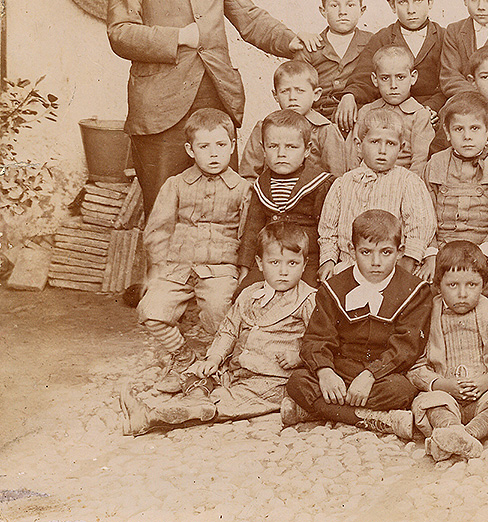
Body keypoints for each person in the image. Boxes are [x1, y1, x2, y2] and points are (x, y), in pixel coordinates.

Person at [108, 0, 312, 213]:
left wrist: (289, 39)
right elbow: (120, 32)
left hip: (215, 95)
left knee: (222, 207)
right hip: (160, 108)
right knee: (163, 210)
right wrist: (178, 37)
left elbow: (248, 16)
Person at [118, 221, 317, 435]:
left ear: (304, 264)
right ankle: (198, 397)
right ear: (260, 263)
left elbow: (320, 339)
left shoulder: (308, 300)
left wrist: (298, 355)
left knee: (231, 401)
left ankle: (151, 416)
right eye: (275, 262)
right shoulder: (250, 294)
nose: (283, 271)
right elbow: (229, 330)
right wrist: (214, 358)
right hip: (237, 370)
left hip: (272, 378)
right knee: (196, 373)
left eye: (292, 263)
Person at [282, 210, 434, 437]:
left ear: (400, 252)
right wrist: (325, 372)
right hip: (340, 369)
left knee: (402, 390)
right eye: (366, 252)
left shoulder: (415, 291)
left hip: (381, 375)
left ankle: (317, 411)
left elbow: (406, 346)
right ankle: (374, 419)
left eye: (386, 252)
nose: (376, 262)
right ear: (352, 251)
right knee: (297, 382)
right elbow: (317, 337)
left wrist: (370, 375)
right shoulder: (334, 288)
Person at [136, 108, 249, 393]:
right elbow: (158, 230)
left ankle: (216, 365)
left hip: (220, 267)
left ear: (233, 146)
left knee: (219, 312)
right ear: (190, 150)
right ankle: (182, 356)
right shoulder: (175, 185)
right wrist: (160, 269)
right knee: (151, 310)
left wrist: (241, 270)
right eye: (204, 147)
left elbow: (247, 234)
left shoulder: (243, 189)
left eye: (221, 145)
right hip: (178, 266)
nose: (213, 154)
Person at [407, 241, 488, 461]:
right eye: (452, 285)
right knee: (431, 404)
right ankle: (451, 428)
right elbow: (415, 365)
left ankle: (468, 435)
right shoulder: (427, 315)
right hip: (445, 392)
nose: (462, 294)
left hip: (484, 393)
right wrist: (443, 384)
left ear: (483, 284)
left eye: (472, 285)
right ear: (438, 284)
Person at [317, 107, 436, 280]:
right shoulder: (343, 184)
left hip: (394, 268)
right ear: (359, 145)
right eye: (374, 142)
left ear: (401, 147)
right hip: (348, 267)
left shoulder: (408, 182)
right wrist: (328, 260)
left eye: (391, 144)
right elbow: (328, 229)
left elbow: (420, 227)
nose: (382, 150)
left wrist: (407, 264)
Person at [418, 93, 488, 288]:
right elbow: (424, 217)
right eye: (459, 129)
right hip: (441, 256)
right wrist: (432, 255)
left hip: (483, 257)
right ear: (448, 132)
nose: (467, 137)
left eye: (475, 128)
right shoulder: (435, 164)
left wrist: (484, 255)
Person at [236, 110, 334, 289]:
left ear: (307, 150)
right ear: (263, 149)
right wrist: (245, 268)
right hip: (271, 257)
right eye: (273, 146)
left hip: (306, 259)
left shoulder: (319, 183)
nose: (281, 153)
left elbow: (327, 227)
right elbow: (252, 229)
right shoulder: (261, 186)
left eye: (291, 147)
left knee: (311, 296)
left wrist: (326, 261)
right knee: (247, 292)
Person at [345, 0, 447, 133]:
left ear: (430, 1)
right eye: (402, 2)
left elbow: (448, 83)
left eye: (418, 1)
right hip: (390, 113)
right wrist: (349, 95)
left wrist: (432, 107)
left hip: (431, 112)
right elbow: (362, 77)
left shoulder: (444, 37)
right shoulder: (383, 38)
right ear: (392, 5)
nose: (411, 10)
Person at [239, 60, 347, 178]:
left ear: (316, 94)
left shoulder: (326, 130)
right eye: (285, 91)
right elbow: (249, 174)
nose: (292, 97)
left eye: (300, 91)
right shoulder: (264, 127)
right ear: (275, 95)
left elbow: (336, 177)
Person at [293, 0, 373, 133]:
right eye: (334, 5)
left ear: (362, 10)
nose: (342, 12)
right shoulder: (311, 46)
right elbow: (298, 88)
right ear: (323, 11)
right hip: (317, 119)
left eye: (350, 5)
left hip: (361, 118)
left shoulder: (372, 42)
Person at [350, 46, 435, 172]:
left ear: (413, 77)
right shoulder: (366, 111)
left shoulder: (420, 115)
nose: (393, 85)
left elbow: (420, 160)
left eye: (400, 77)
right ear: (375, 79)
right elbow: (354, 155)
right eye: (385, 78)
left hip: (403, 179)